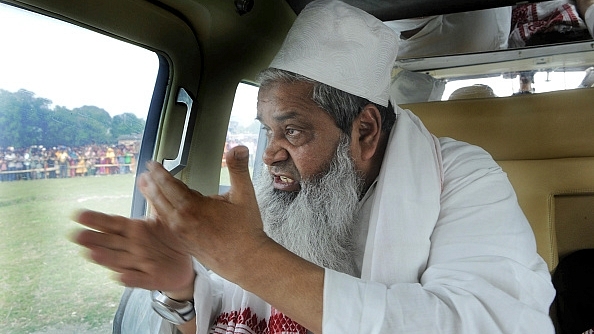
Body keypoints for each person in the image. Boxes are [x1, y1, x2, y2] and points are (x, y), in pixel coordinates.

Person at [72, 1, 556, 333]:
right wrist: (180, 287)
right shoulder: (268, 196)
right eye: (267, 129)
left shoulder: (465, 177)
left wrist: (249, 258)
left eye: (294, 131)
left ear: (364, 131)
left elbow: (492, 323)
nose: (269, 154)